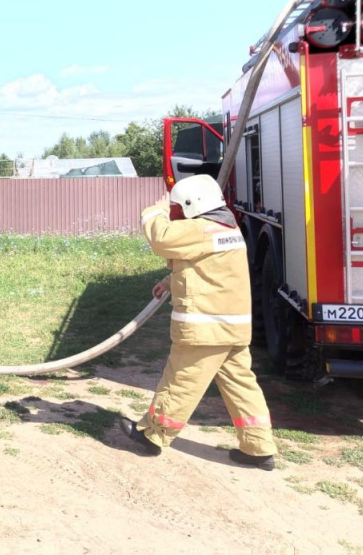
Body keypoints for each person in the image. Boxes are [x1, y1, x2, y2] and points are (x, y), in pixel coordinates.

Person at [119, 174, 278, 470]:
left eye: (179, 206)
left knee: (181, 381)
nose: (176, 212)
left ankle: (153, 436)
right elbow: (208, 268)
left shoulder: (202, 228)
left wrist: (155, 211)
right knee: (241, 385)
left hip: (206, 328)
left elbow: (161, 239)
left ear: (193, 204)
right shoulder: (226, 228)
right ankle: (258, 447)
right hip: (232, 328)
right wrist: (170, 281)